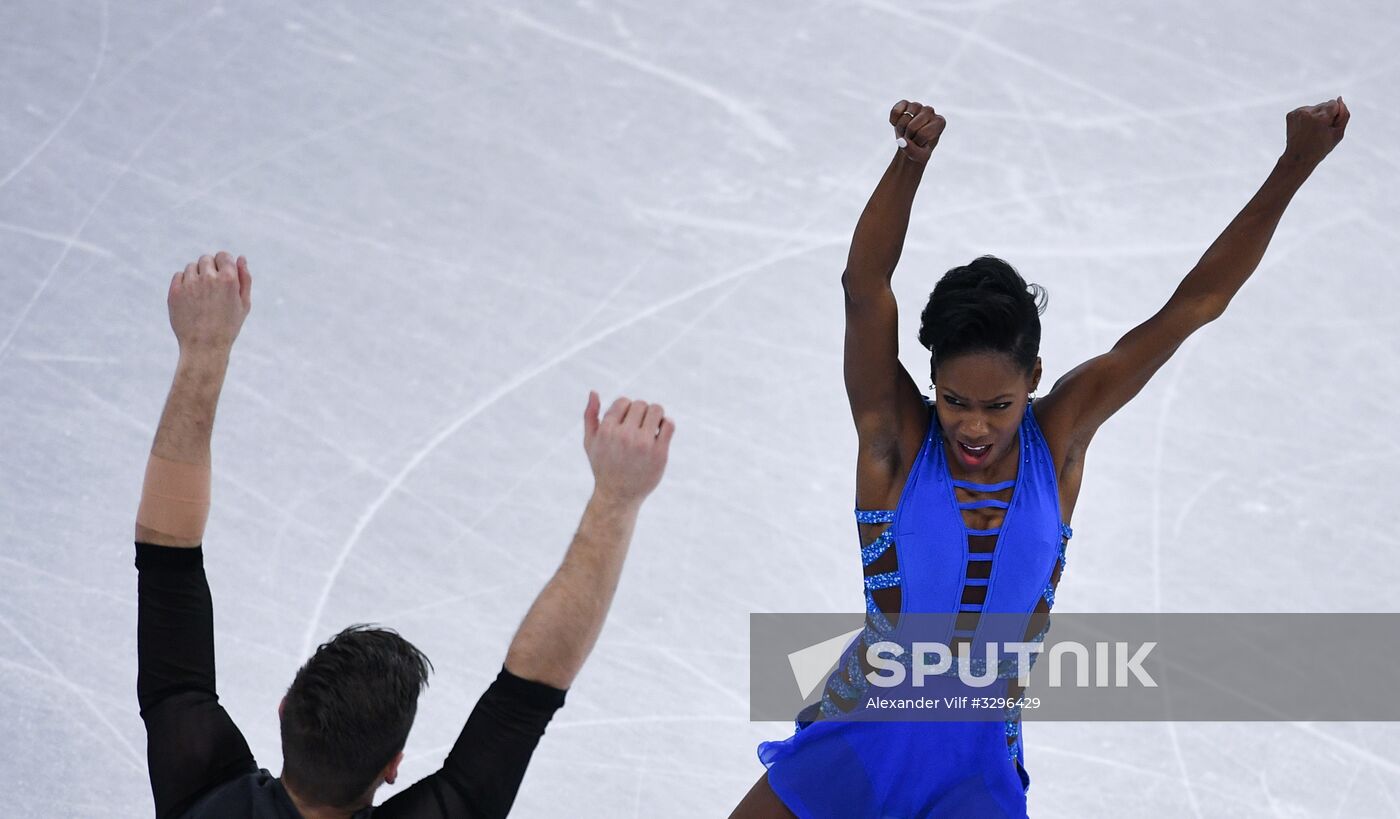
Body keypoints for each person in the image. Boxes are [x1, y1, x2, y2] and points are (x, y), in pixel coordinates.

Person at [731, 96, 1350, 818]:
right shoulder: (895, 442)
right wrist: (911, 162)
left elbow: (1197, 302)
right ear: (931, 381)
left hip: (975, 775)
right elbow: (864, 290)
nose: (973, 425)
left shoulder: (1058, 442)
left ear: (1034, 379)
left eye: (999, 406)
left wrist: (1294, 165)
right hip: (859, 743)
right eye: (956, 398)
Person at [134, 251, 675, 818]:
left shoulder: (200, 784)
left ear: (284, 708)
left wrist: (203, 352)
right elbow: (528, 692)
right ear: (394, 766)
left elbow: (168, 561)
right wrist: (616, 499)